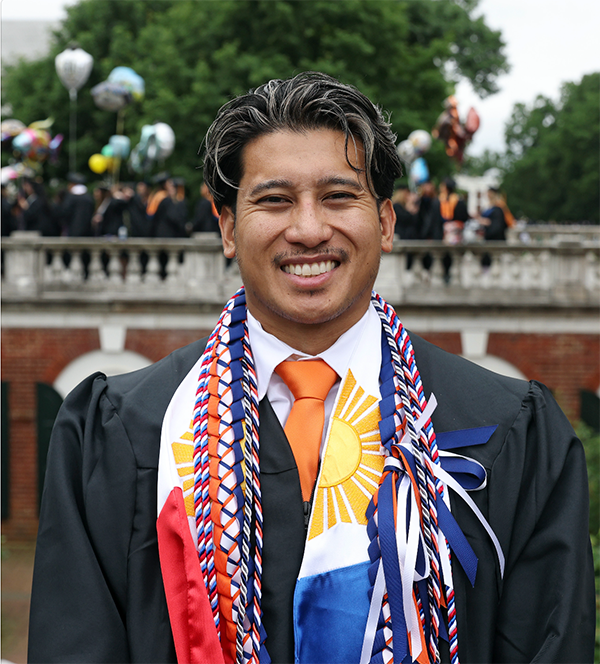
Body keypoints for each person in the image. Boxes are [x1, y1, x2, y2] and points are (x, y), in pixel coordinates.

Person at [29, 72, 595, 664]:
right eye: (274, 200)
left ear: (385, 222)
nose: (307, 229)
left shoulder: (509, 429)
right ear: (226, 226)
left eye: (339, 196)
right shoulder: (123, 429)